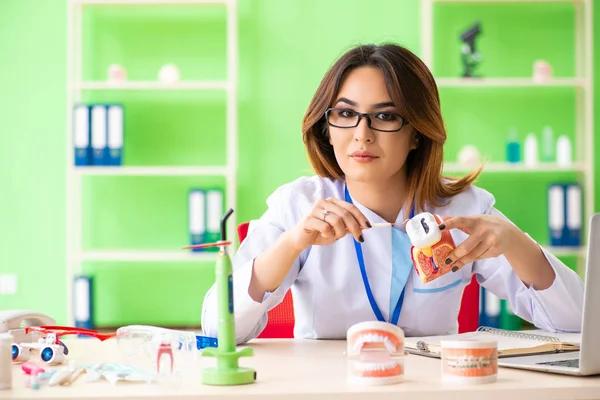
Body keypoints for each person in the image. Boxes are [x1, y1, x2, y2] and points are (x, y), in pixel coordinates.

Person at [201, 43, 584, 344]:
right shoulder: (299, 204)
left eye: (385, 116)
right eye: (346, 114)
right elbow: (218, 330)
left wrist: (517, 244)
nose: (361, 134)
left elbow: (579, 323)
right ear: (327, 127)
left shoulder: (464, 208)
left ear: (417, 132)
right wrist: (292, 244)